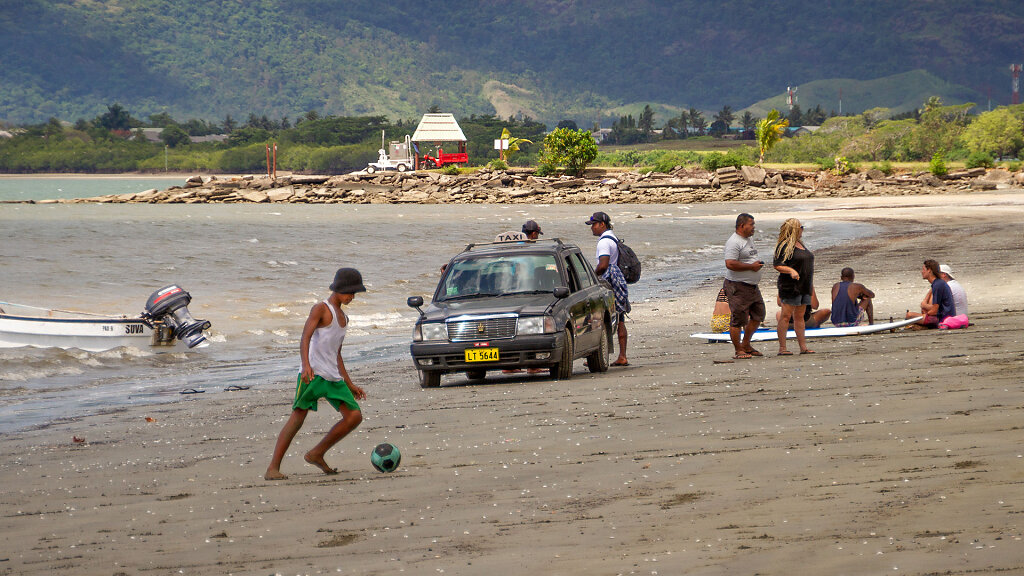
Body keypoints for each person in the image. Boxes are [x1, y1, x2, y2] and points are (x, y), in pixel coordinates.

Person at [265, 268, 367, 480]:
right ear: (338, 289)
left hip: (332, 376)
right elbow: (305, 338)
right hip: (312, 375)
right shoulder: (321, 309)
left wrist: (350, 384)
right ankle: (272, 468)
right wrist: (306, 365)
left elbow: (337, 354)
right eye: (349, 292)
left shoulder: (344, 318)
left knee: (354, 416)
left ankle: (317, 453)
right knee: (298, 417)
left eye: (355, 293)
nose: (352, 297)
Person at [587, 211, 630, 366]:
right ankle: (622, 355)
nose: (591, 228)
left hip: (608, 283)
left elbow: (603, 265)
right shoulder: (613, 237)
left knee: (600, 318)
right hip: (618, 281)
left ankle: (598, 355)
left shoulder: (604, 242)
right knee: (620, 318)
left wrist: (591, 276)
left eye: (593, 224)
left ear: (602, 224)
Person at [723, 213, 766, 359]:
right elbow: (730, 263)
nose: (754, 227)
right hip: (738, 286)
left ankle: (746, 344)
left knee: (759, 314)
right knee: (738, 319)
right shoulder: (734, 242)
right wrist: (750, 267)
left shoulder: (748, 239)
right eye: (751, 224)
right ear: (742, 225)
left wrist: (755, 265)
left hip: (752, 286)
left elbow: (748, 258)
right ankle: (738, 350)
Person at [773, 218, 815, 355]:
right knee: (785, 315)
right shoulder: (784, 245)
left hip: (804, 286)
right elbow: (777, 265)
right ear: (795, 229)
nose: (802, 229)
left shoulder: (800, 244)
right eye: (801, 227)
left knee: (800, 316)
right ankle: (782, 348)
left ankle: (803, 347)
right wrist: (791, 270)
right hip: (790, 287)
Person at [906, 259, 955, 328]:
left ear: (929, 270)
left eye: (923, 269)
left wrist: (926, 314)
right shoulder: (938, 283)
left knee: (909, 315)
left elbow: (935, 310)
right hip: (944, 315)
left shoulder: (938, 285)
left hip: (942, 318)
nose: (922, 272)